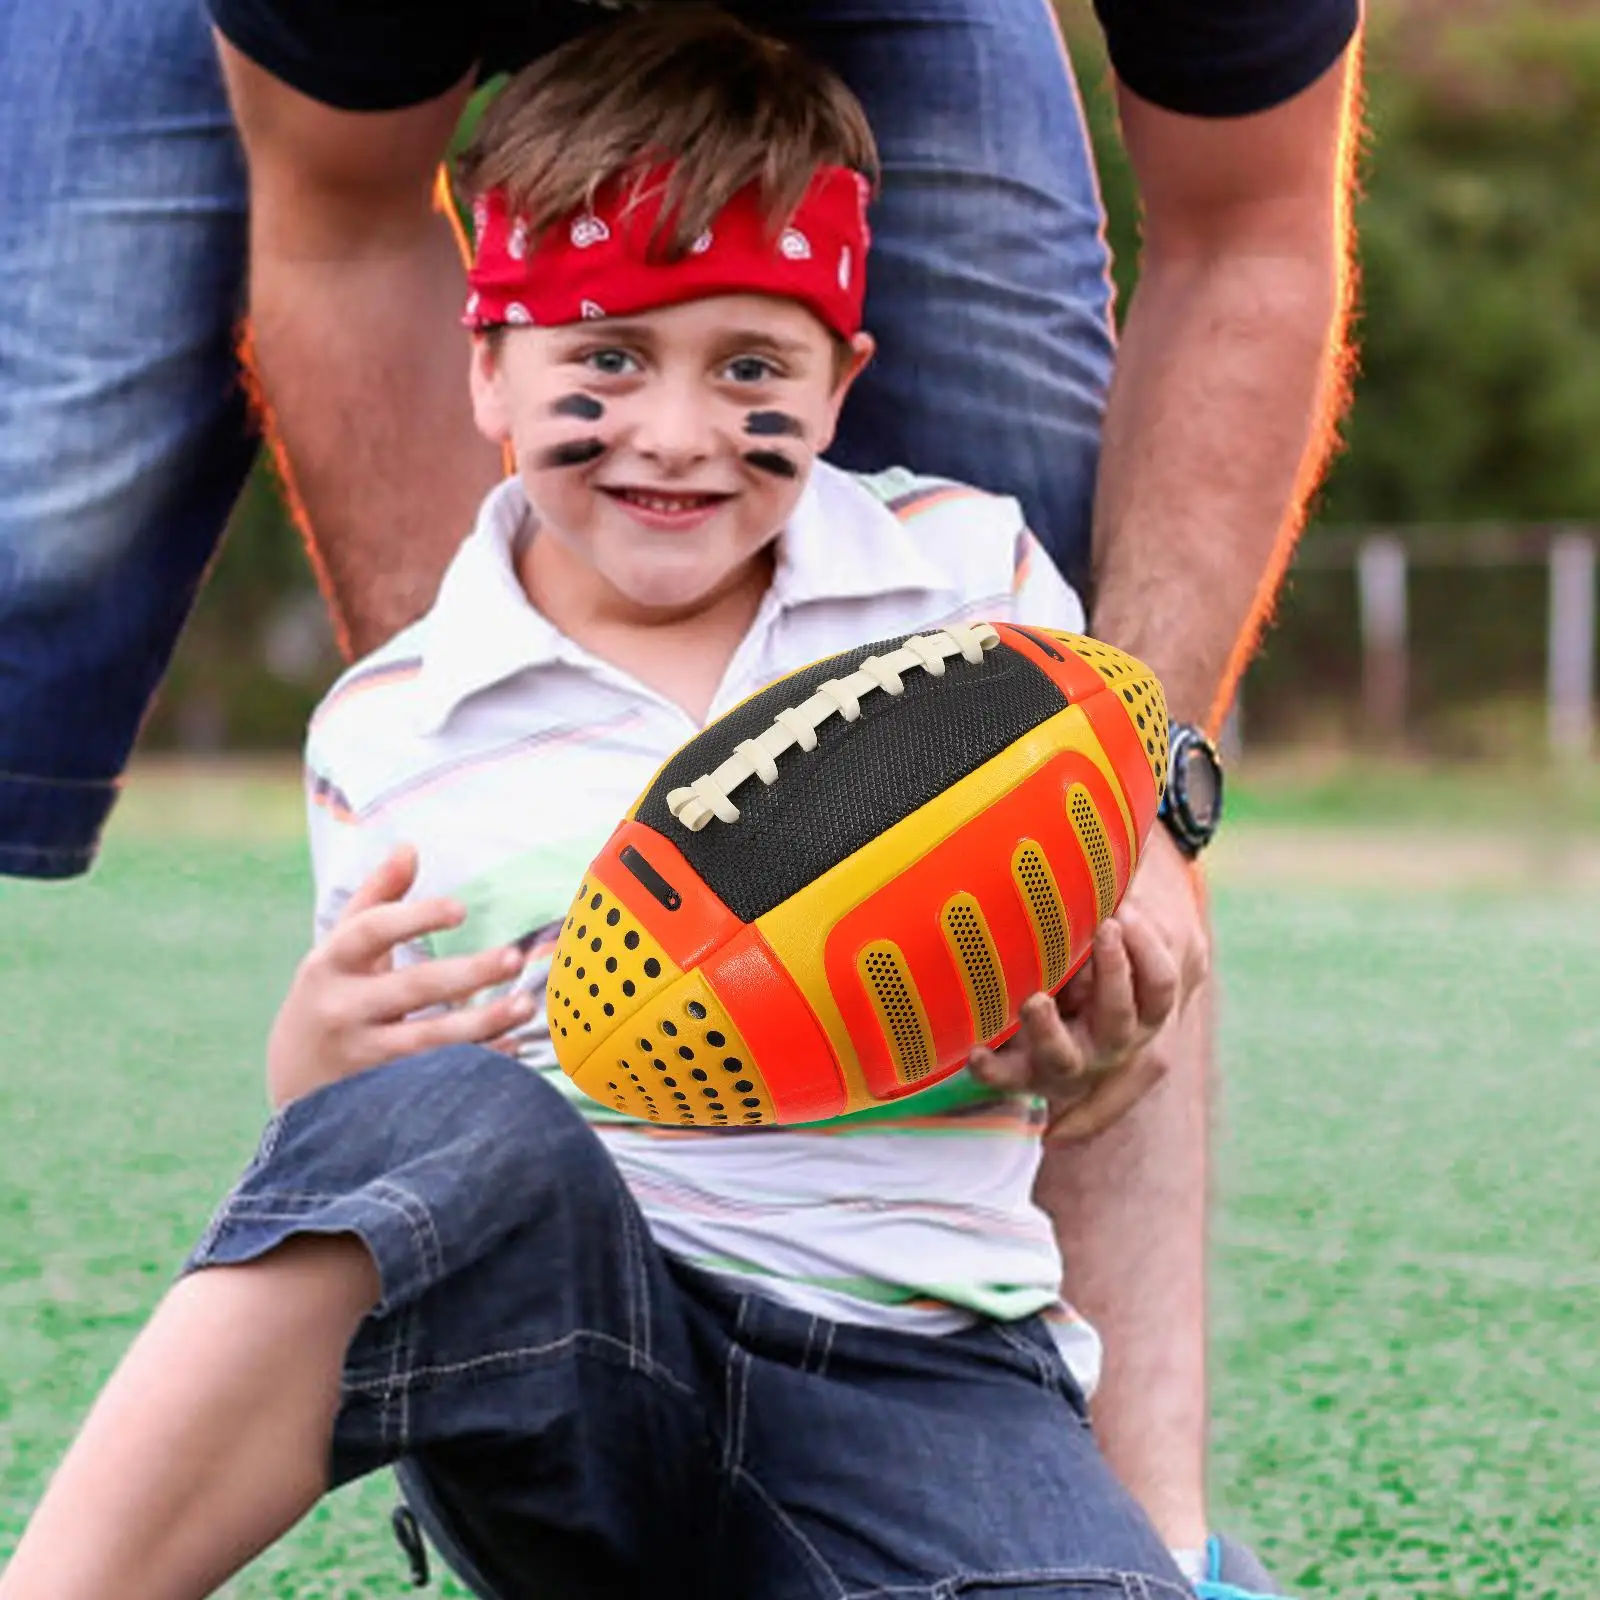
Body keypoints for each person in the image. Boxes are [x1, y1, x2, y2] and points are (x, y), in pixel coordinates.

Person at [0, 0, 1361, 1588]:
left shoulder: (977, 601)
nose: (675, 433)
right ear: (488, 370)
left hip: (912, 1367)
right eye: (607, 358)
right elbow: (374, 1117)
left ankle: (1157, 1543)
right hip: (577, 1370)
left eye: (751, 368)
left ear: (844, 381)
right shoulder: (391, 720)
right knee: (444, 1115)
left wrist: (1107, 939)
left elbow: (1251, 230)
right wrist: (322, 1063)